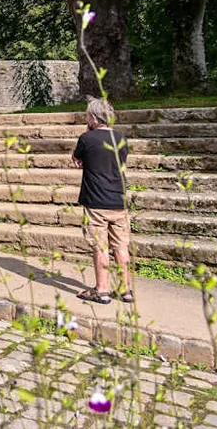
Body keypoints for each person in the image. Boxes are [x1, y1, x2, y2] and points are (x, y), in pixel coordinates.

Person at [73, 97, 132, 305]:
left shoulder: (86, 139)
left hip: (96, 201)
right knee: (121, 246)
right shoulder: (121, 137)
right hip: (119, 199)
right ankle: (126, 290)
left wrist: (89, 133)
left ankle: (102, 289)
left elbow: (78, 160)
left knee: (100, 246)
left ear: (93, 117)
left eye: (88, 114)